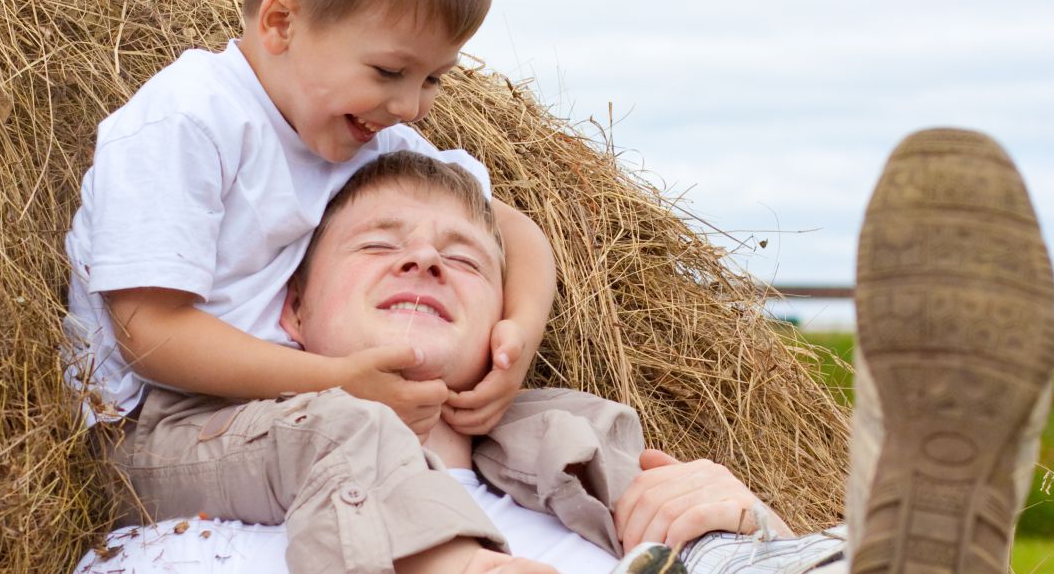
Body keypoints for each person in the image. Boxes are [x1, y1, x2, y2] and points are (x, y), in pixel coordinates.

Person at [75, 131, 1054, 573]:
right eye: (381, 243)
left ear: (501, 316)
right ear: (288, 309)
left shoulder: (585, 458)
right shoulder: (213, 502)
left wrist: (746, 514)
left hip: (653, 548)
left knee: (713, 533)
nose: (425, 253)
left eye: (462, 255)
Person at [63, 0, 559, 574]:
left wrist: (520, 333)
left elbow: (515, 229)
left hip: (298, 406)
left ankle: (709, 535)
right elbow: (149, 335)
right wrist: (332, 381)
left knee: (558, 418)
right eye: (391, 72)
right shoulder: (190, 121)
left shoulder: (367, 137)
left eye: (433, 80)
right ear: (280, 23)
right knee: (343, 430)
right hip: (161, 429)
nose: (412, 106)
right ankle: (456, 566)